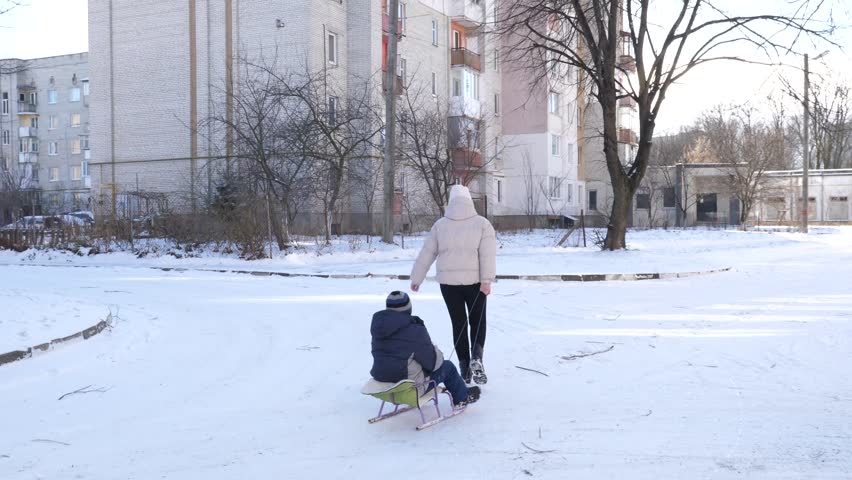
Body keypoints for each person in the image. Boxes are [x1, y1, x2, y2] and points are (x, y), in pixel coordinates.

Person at [410, 184, 496, 385]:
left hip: (449, 285)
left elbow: (427, 253)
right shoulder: (482, 224)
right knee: (477, 321)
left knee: (458, 323)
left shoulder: (440, 225)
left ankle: (464, 366)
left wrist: (416, 278)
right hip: (476, 283)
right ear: (469, 201)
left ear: (451, 202)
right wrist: (486, 280)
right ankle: (477, 357)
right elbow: (487, 255)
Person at [370, 291, 481, 407]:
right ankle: (463, 398)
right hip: (408, 385)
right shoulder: (414, 330)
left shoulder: (379, 329)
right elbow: (432, 363)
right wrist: (438, 354)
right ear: (409, 308)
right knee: (448, 367)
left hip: (382, 381)